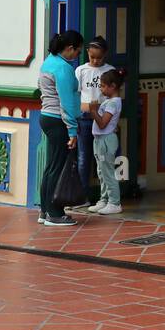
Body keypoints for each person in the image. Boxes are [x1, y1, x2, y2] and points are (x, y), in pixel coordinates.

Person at [37, 29, 84, 226]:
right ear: (70, 48)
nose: (77, 56)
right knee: (57, 167)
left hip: (47, 117)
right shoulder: (63, 68)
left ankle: (45, 210)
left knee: (51, 167)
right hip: (59, 121)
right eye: (78, 52)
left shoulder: (48, 62)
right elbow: (66, 102)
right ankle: (55, 214)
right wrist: (72, 131)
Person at [70, 37, 114, 213]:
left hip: (103, 120)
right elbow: (76, 96)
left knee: (103, 160)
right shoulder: (80, 70)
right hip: (84, 119)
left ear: (105, 56)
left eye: (99, 58)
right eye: (92, 57)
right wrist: (87, 108)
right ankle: (82, 197)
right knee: (83, 158)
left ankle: (108, 198)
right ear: (87, 53)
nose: (96, 61)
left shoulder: (109, 70)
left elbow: (113, 97)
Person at [88, 69, 125, 215]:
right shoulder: (109, 102)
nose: (101, 89)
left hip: (106, 140)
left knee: (108, 172)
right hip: (100, 140)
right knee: (101, 171)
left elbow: (103, 123)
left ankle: (114, 202)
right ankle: (103, 200)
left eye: (103, 86)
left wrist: (93, 111)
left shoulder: (113, 103)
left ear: (113, 86)